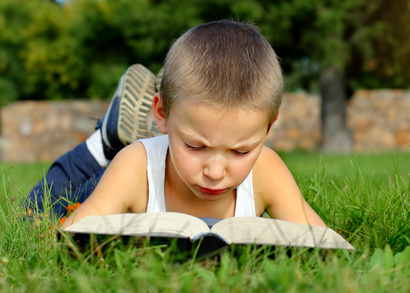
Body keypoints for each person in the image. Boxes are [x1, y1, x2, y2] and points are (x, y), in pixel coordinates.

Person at [23, 20, 326, 229]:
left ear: (268, 129)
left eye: (240, 151)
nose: (215, 172)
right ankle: (103, 145)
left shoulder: (266, 172)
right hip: (122, 178)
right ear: (163, 113)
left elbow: (326, 246)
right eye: (196, 146)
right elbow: (71, 238)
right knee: (36, 214)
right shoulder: (134, 168)